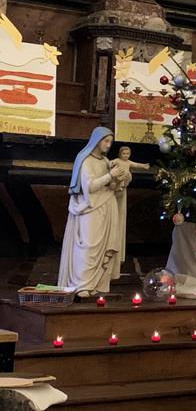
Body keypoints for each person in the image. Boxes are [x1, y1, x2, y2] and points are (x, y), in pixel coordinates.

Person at [58, 127, 126, 297]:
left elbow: (110, 186)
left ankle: (97, 284)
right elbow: (90, 187)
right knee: (88, 245)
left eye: (111, 142)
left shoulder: (104, 161)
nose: (109, 145)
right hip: (89, 208)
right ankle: (82, 285)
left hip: (106, 207)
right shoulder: (85, 161)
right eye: (106, 141)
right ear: (96, 141)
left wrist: (118, 179)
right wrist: (110, 176)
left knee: (103, 248)